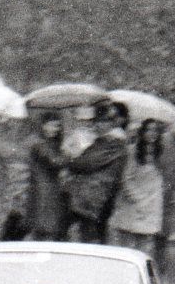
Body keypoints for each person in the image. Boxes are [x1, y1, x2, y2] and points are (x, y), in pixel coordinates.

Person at [66, 101, 129, 243]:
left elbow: (85, 162)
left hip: (94, 197)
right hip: (94, 197)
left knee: (90, 238)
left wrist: (70, 161)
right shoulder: (103, 141)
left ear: (111, 123)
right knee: (90, 235)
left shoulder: (112, 142)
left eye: (102, 121)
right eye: (97, 121)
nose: (97, 125)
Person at [108, 118, 165, 254]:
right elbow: (126, 179)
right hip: (133, 205)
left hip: (152, 206)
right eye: (148, 130)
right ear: (142, 132)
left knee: (146, 246)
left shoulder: (160, 153)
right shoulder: (133, 151)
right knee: (129, 247)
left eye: (155, 130)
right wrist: (138, 199)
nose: (152, 133)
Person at [26, 111, 68, 241]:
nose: (55, 129)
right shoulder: (40, 144)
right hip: (43, 191)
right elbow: (55, 161)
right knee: (45, 229)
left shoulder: (48, 143)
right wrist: (70, 155)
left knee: (46, 229)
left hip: (48, 190)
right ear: (43, 125)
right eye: (52, 125)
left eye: (58, 126)